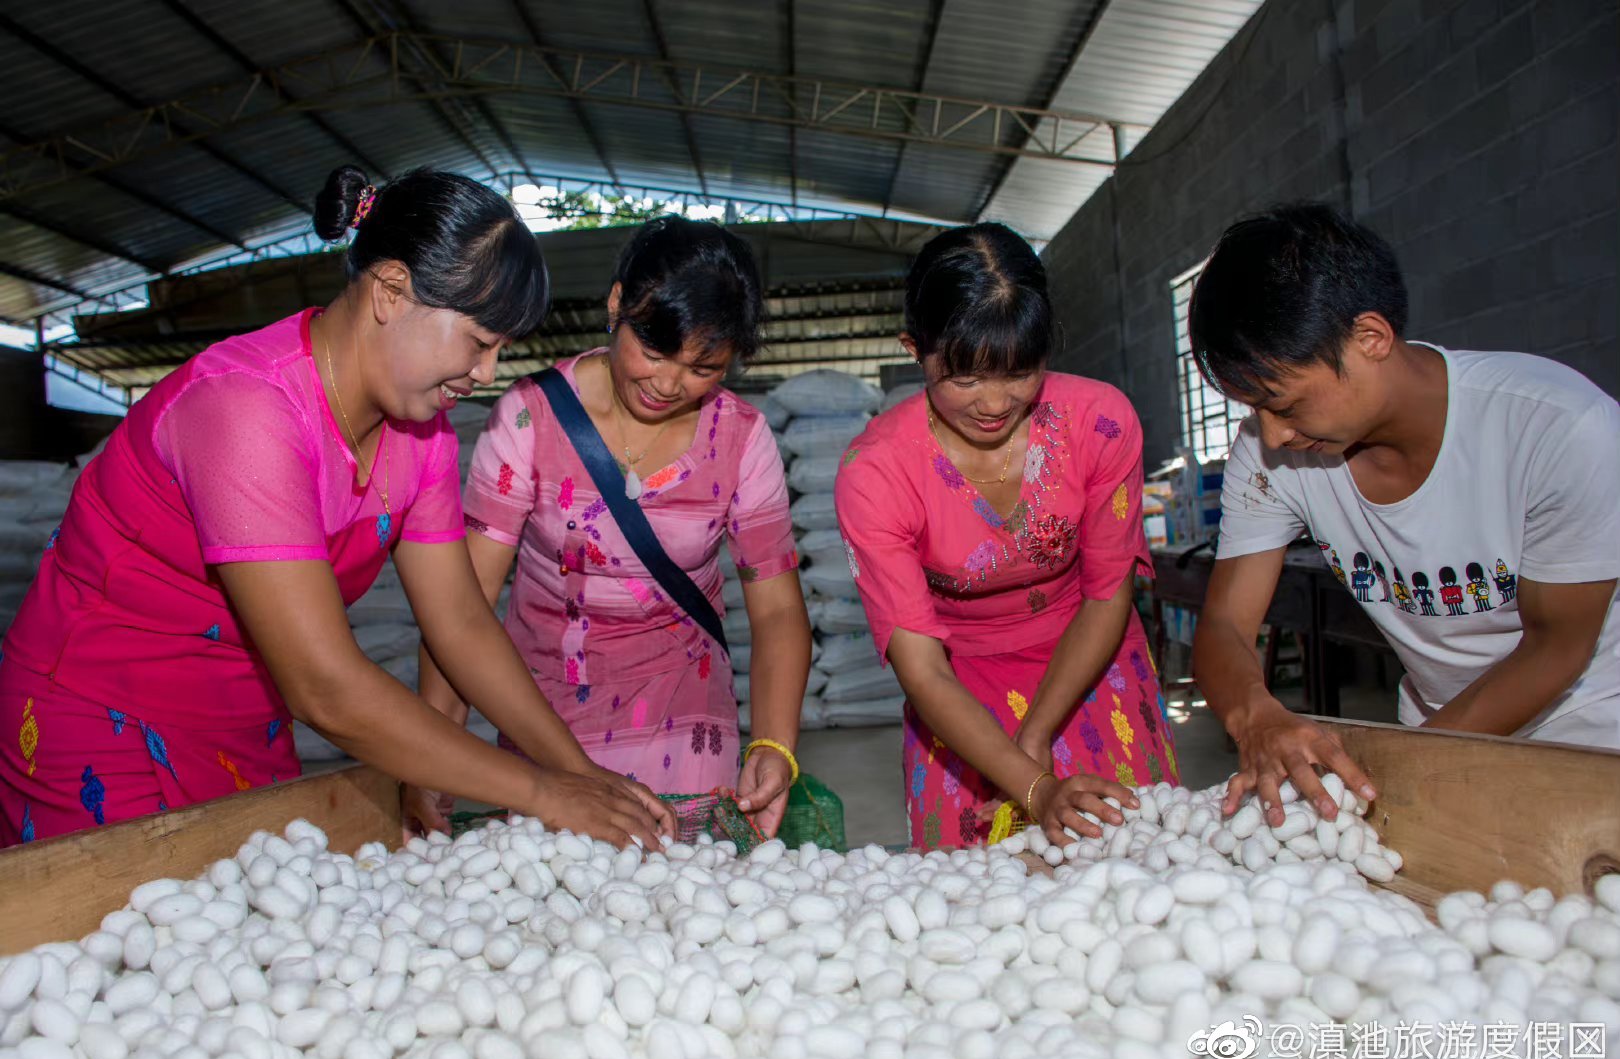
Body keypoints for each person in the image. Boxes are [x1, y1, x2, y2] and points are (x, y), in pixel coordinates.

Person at [0, 165, 672, 849]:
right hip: (101, 717)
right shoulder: (247, 413)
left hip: (240, 721)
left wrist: (579, 777)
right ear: (390, 292)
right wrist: (538, 792)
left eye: (501, 351)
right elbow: (323, 683)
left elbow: (462, 626)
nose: (486, 375)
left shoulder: (421, 432)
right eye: (478, 342)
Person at [1189, 203, 1620, 828]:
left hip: (1589, 732)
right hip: (1440, 727)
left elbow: (1555, 647)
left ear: (1370, 339)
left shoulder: (1556, 428)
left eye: (1283, 402)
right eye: (1256, 409)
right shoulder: (1267, 452)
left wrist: (1400, 769)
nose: (1274, 435)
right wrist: (1254, 713)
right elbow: (1225, 623)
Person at [417, 215, 811, 837]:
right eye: (652, 352)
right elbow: (460, 608)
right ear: (617, 303)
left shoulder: (740, 438)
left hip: (686, 724)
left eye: (703, 368)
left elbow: (778, 612)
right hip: (545, 726)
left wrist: (775, 744)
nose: (668, 383)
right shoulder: (530, 420)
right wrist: (432, 756)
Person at [835, 223, 1169, 852]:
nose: (994, 402)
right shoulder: (877, 470)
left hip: (1090, 655)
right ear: (916, 349)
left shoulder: (1098, 424)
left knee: (1135, 852)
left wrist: (1038, 733)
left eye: (1019, 372)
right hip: (959, 684)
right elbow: (923, 670)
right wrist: (1034, 784)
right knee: (978, 891)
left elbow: (1106, 596)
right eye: (963, 378)